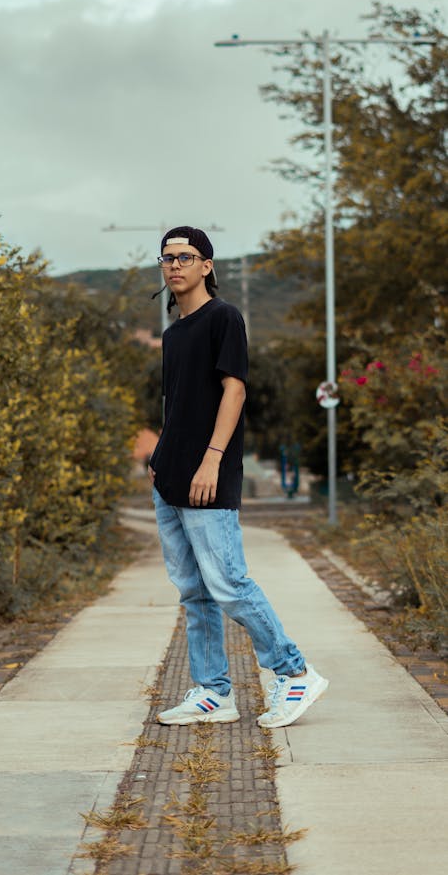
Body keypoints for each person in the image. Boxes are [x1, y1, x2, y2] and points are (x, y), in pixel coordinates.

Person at [148, 225, 328, 727]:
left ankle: (294, 674)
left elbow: (234, 393)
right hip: (170, 477)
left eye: (186, 256)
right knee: (194, 591)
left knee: (228, 583)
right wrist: (161, 458)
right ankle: (212, 692)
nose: (175, 265)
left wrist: (211, 459)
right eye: (167, 258)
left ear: (207, 265)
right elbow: (177, 405)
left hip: (208, 475)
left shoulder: (223, 319)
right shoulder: (173, 333)